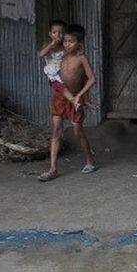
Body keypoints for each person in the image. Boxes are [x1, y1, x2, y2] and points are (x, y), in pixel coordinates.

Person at [39, 24, 97, 181]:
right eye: (65, 41)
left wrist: (81, 96)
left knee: (77, 130)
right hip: (59, 97)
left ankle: (90, 160)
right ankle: (53, 168)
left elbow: (91, 79)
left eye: (71, 41)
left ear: (79, 43)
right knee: (56, 131)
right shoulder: (60, 55)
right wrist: (54, 42)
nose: (67, 44)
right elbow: (44, 53)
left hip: (74, 98)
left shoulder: (81, 58)